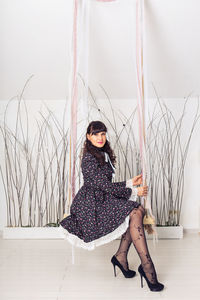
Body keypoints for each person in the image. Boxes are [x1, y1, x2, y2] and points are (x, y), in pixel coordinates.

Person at [59, 121, 164, 292]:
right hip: (91, 205)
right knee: (134, 211)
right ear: (88, 137)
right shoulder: (88, 158)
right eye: (95, 134)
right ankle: (146, 266)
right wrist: (134, 190)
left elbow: (106, 184)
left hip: (102, 198)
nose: (100, 138)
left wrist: (131, 182)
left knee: (137, 211)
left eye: (102, 134)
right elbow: (104, 186)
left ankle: (122, 257)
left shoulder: (102, 153)